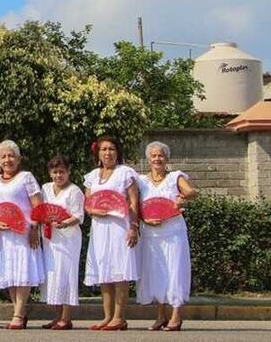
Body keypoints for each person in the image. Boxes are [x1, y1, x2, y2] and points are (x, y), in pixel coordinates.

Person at [137, 141, 197, 332]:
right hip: (150, 234)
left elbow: (192, 192)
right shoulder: (141, 181)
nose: (157, 159)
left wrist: (182, 198)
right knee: (156, 273)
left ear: (167, 159)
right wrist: (143, 219)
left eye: (161, 155)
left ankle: (176, 316)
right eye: (153, 156)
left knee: (175, 271)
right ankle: (161, 315)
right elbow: (134, 205)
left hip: (173, 233)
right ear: (148, 159)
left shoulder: (174, 177)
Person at [84, 136, 140, 331]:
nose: (107, 153)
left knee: (120, 272)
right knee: (104, 272)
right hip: (99, 228)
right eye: (104, 149)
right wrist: (93, 211)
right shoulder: (92, 176)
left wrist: (133, 227)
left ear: (117, 152)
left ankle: (119, 317)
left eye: (111, 149)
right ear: (98, 153)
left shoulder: (125, 173)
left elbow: (133, 202)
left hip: (119, 227)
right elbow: (87, 203)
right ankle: (107, 316)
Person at [0, 140, 45, 330]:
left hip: (24, 234)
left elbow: (38, 206)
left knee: (23, 272)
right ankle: (18, 312)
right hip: (4, 236)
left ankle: (18, 314)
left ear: (19, 158)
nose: (7, 160)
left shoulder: (26, 177)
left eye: (11, 156)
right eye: (3, 157)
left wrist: (34, 228)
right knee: (11, 274)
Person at [40, 155, 84, 331]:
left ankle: (66, 318)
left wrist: (65, 222)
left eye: (62, 172)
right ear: (50, 173)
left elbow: (79, 216)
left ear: (68, 172)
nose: (58, 175)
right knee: (53, 276)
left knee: (66, 274)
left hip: (68, 238)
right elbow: (40, 210)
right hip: (50, 238)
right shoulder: (45, 189)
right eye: (55, 172)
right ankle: (57, 316)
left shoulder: (74, 191)